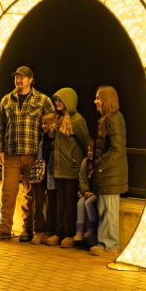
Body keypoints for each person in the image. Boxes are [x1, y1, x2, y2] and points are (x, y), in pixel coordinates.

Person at [0, 66, 55, 241]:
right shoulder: (6, 100)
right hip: (11, 154)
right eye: (17, 78)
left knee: (30, 193)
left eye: (22, 78)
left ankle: (28, 229)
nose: (19, 80)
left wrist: (47, 153)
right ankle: (4, 228)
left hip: (33, 154)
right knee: (8, 192)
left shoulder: (42, 100)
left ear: (31, 80)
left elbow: (52, 126)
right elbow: (0, 126)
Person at [47, 88, 92, 248]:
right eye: (56, 100)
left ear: (69, 102)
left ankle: (68, 234)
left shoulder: (78, 121)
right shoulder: (59, 119)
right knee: (60, 202)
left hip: (72, 170)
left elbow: (87, 143)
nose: (58, 103)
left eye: (61, 100)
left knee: (69, 203)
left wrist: (84, 165)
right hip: (60, 169)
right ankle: (58, 232)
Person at [88, 86, 128, 258]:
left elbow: (116, 149)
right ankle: (104, 243)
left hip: (110, 175)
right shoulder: (108, 118)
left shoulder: (113, 119)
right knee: (104, 208)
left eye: (99, 98)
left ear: (107, 99)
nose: (95, 101)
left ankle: (110, 246)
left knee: (109, 209)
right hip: (107, 174)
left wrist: (101, 166)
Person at [30, 113, 58, 245]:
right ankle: (39, 231)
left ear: (52, 124)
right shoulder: (41, 138)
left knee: (51, 205)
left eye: (46, 123)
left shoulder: (58, 140)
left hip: (52, 175)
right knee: (39, 203)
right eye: (42, 124)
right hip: (40, 175)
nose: (43, 126)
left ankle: (49, 231)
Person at [76, 144, 98, 242]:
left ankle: (92, 228)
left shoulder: (98, 163)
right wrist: (85, 191)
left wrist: (93, 192)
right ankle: (79, 231)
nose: (89, 153)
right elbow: (81, 177)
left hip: (96, 193)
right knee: (80, 203)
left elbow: (99, 180)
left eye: (92, 150)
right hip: (86, 192)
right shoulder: (85, 162)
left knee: (88, 203)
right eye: (88, 151)